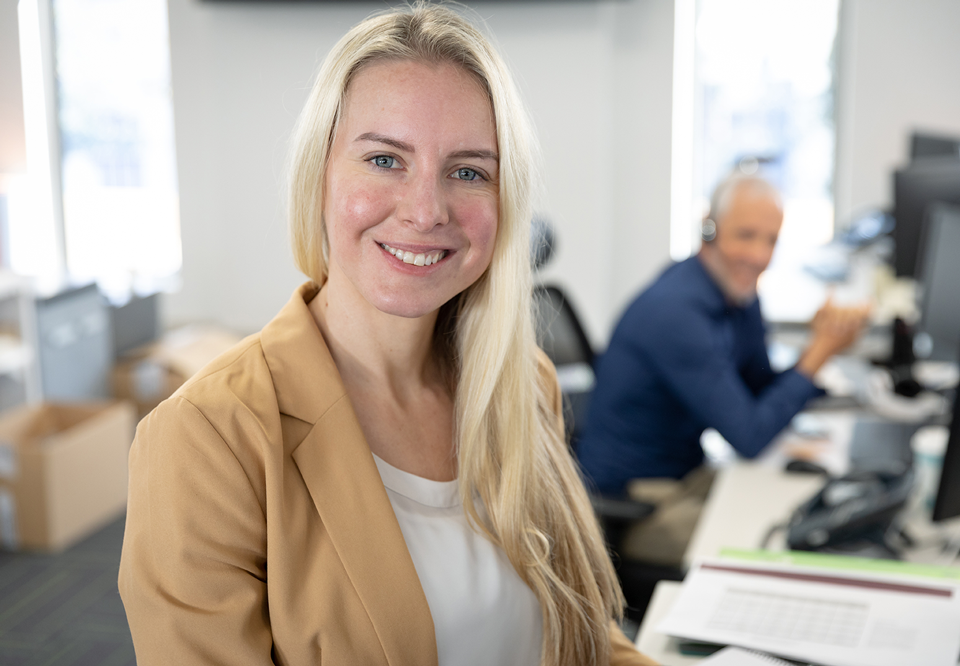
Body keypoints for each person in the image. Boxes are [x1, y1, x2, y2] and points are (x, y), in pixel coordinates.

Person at [118, 6, 655, 666]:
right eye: (383, 159)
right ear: (319, 176)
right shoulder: (207, 439)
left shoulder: (520, 386)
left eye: (468, 171)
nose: (426, 211)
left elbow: (580, 633)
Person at [574, 174, 869, 566]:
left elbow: (758, 388)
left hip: (687, 476)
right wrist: (818, 355)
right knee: (779, 550)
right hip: (638, 503)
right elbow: (748, 435)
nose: (759, 256)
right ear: (708, 231)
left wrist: (816, 350)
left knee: (805, 507)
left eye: (771, 240)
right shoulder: (676, 314)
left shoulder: (737, 293)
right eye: (745, 235)